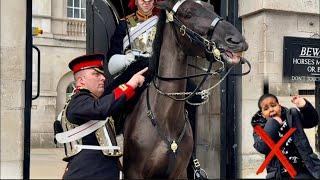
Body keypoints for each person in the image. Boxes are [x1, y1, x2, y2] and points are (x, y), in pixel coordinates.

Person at [59, 54, 148, 179]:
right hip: (86, 174)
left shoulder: (89, 101)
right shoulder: (78, 101)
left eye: (102, 74)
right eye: (96, 74)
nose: (103, 78)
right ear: (81, 81)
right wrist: (130, 85)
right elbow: (100, 109)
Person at [251, 93, 320, 179]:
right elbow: (262, 147)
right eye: (266, 109)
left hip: (305, 168)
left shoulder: (292, 116)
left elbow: (312, 121)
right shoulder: (259, 127)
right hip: (279, 174)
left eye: (273, 105)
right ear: (262, 114)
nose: (271, 109)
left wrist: (304, 106)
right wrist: (273, 123)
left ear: (279, 106)